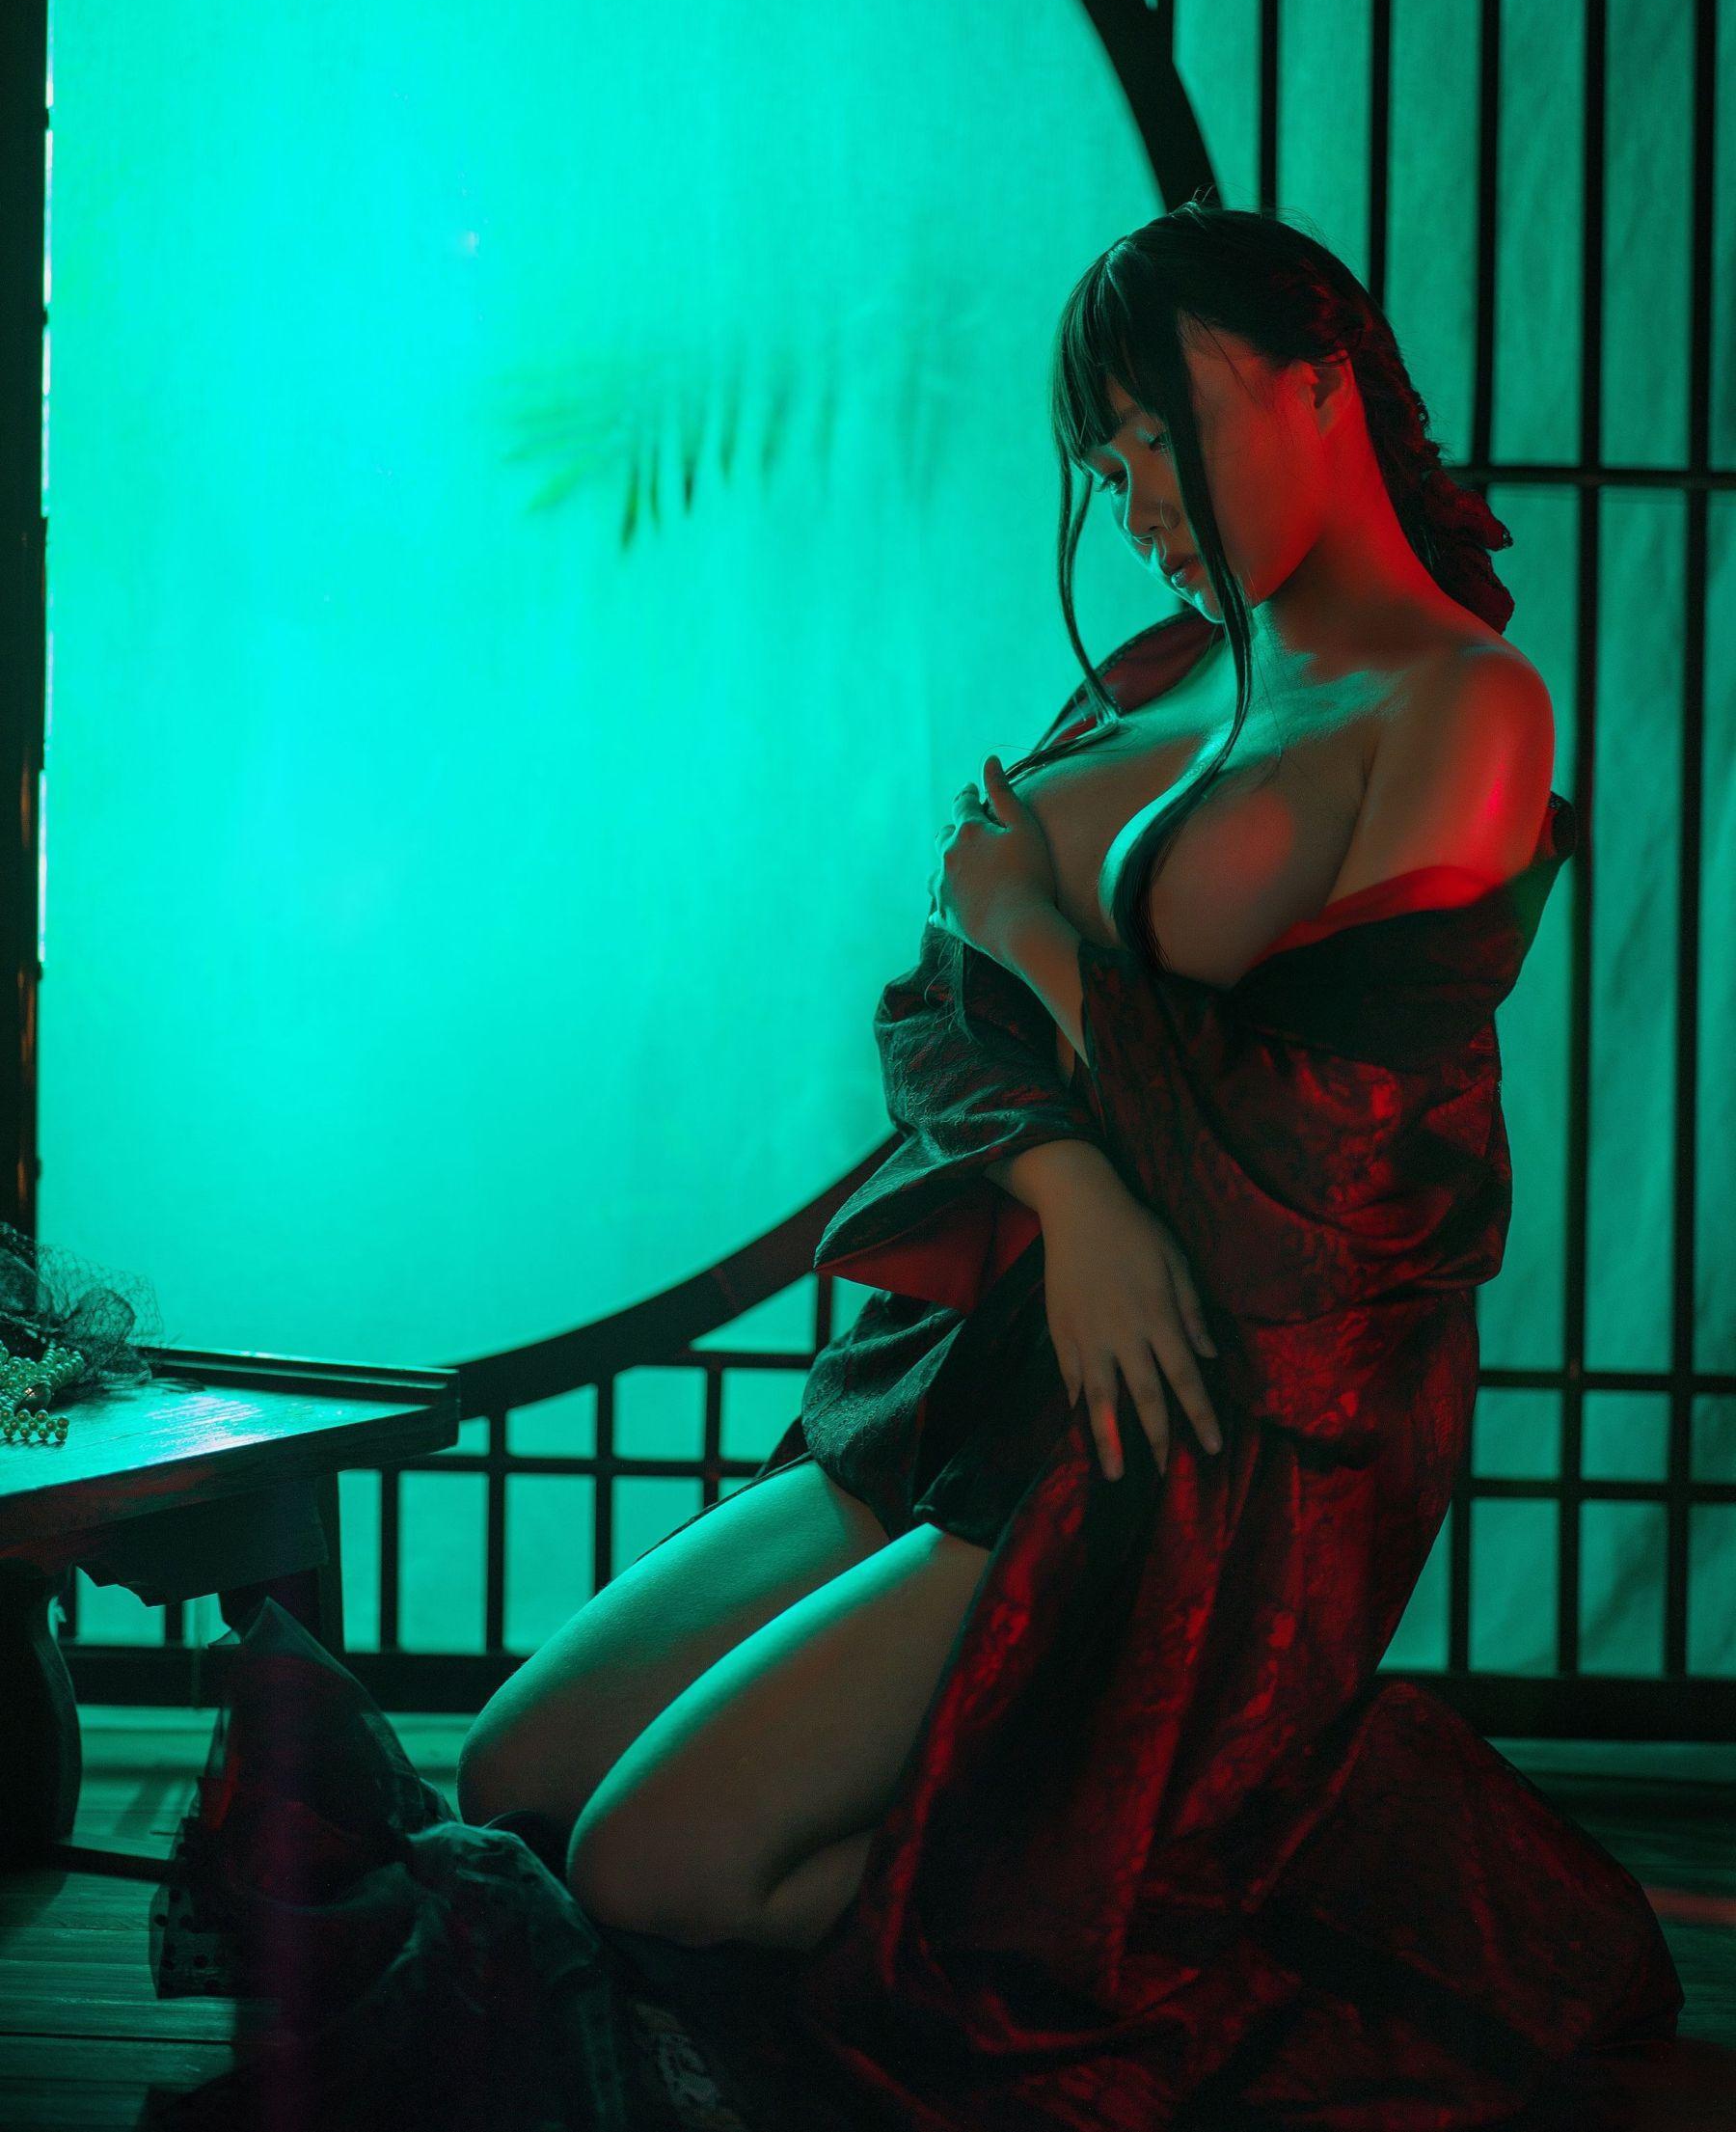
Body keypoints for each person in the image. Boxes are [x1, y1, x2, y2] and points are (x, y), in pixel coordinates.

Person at [155, 205, 1682, 2131]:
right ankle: (1010, 1857)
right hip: (990, 1364)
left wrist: (1043, 940)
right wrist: (1074, 1188)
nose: (1135, 497)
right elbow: (933, 1002)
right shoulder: (1163, 669)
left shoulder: (1461, 706)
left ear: (1323, 377)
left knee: (646, 1865)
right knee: (519, 1770)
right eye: (1106, 458)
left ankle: (1152, 1902)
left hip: (1177, 1437)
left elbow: (1332, 1178)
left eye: (1163, 430)